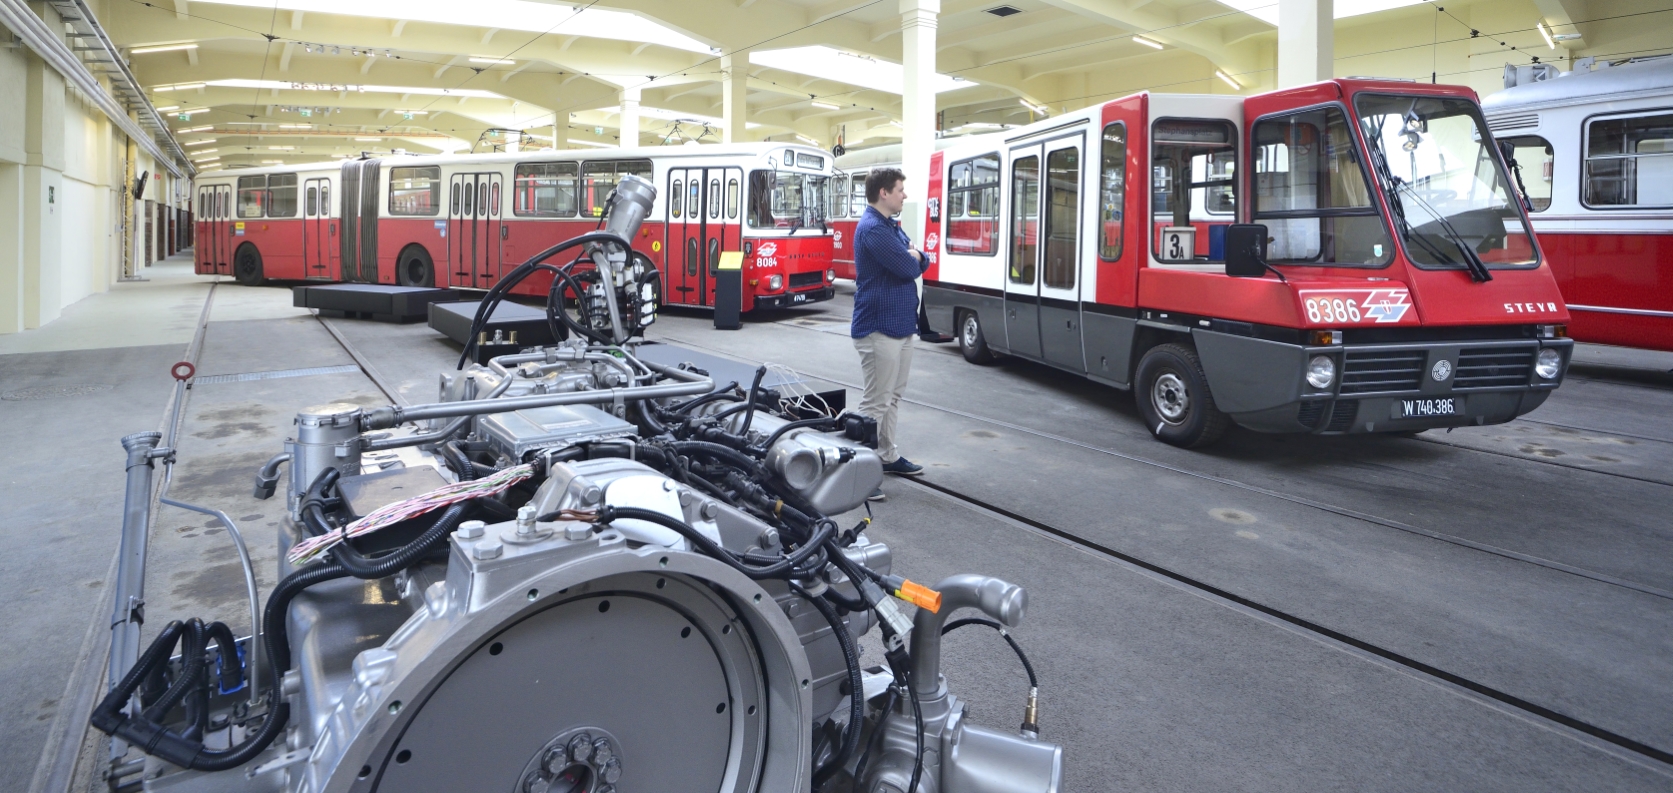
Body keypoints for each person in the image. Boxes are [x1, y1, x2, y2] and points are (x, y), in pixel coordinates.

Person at [852, 168, 929, 500]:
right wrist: (913, 255)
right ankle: (858, 476)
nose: (904, 195)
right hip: (878, 328)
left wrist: (915, 254)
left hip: (899, 326)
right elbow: (911, 266)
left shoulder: (889, 226)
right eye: (900, 190)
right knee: (876, 402)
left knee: (892, 398)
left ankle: (887, 456)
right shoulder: (874, 229)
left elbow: (921, 258)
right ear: (883, 193)